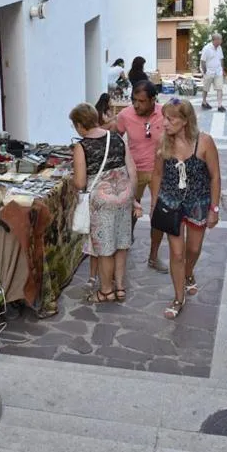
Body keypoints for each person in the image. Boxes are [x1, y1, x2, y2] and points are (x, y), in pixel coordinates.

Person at [151, 99, 221, 318]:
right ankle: (178, 297)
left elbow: (215, 176)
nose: (164, 123)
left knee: (193, 249)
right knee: (177, 252)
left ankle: (189, 273)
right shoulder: (164, 143)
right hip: (171, 203)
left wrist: (214, 209)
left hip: (198, 203)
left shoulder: (205, 143)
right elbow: (157, 174)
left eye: (170, 119)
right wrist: (155, 203)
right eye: (164, 117)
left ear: (184, 121)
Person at [70, 104, 141, 303]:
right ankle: (120, 288)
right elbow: (132, 172)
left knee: (105, 248)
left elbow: (81, 182)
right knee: (121, 243)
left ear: (79, 125)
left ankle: (106, 291)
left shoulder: (81, 147)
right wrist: (132, 198)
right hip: (123, 195)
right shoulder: (117, 138)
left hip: (102, 201)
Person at [112, 81, 168, 272]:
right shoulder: (125, 115)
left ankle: (153, 256)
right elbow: (113, 137)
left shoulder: (164, 113)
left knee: (158, 215)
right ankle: (126, 242)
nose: (137, 105)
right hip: (133, 172)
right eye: (134, 100)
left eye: (142, 101)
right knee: (129, 211)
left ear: (153, 100)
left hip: (159, 171)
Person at [199, 33, 225, 112]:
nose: (221, 41)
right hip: (209, 71)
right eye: (220, 40)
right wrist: (205, 72)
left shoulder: (219, 48)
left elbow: (221, 59)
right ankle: (204, 101)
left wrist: (222, 69)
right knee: (206, 88)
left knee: (219, 88)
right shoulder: (207, 48)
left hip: (218, 71)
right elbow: (202, 61)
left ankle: (220, 105)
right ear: (215, 40)